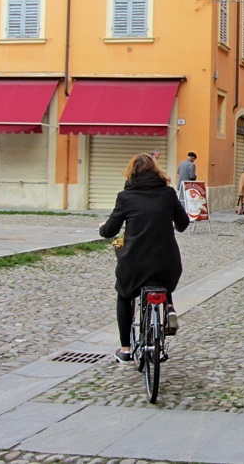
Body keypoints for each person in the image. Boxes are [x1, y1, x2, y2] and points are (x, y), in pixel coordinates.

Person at [99, 153, 189, 363]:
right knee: (163, 282)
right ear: (157, 172)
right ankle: (168, 306)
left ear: (131, 174)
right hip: (167, 264)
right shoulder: (167, 194)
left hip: (135, 263)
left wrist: (102, 228)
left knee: (124, 294)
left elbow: (111, 230)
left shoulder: (125, 197)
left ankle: (126, 349)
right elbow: (184, 224)